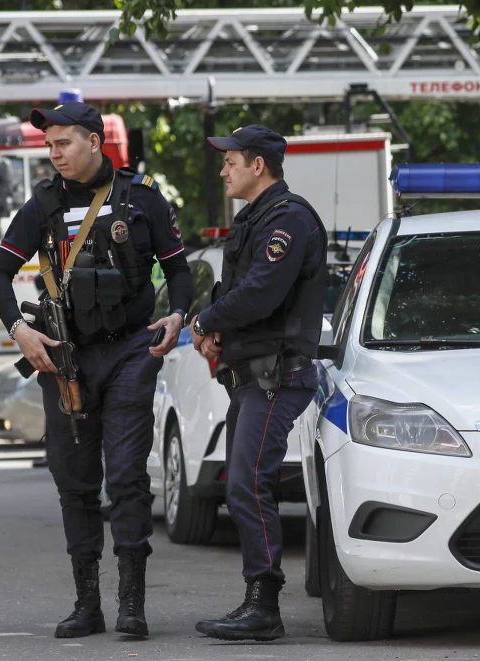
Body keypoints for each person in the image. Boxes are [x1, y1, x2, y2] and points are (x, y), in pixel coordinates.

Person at [0, 101, 193, 638]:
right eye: (49, 146)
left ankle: (131, 602)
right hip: (66, 358)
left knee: (125, 477)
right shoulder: (42, 204)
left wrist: (176, 314)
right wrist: (20, 331)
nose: (54, 155)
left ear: (95, 143)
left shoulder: (141, 198)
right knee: (74, 483)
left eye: (64, 144)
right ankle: (87, 603)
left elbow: (179, 272)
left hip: (128, 353)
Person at [190, 125, 327, 642]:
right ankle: (258, 601)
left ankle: (263, 606)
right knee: (244, 484)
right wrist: (215, 331)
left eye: (231, 161)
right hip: (253, 376)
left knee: (248, 485)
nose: (224, 170)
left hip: (277, 377)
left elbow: (261, 295)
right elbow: (244, 296)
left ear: (258, 166)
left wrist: (205, 323)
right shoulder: (258, 220)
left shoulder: (287, 220)